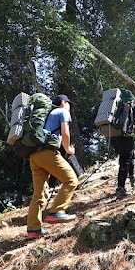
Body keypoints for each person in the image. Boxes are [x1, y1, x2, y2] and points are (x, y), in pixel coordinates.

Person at [26, 94, 79, 239]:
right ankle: (57, 211)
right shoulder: (62, 112)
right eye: (68, 103)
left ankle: (33, 230)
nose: (69, 106)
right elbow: (65, 132)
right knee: (71, 180)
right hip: (47, 154)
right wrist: (69, 150)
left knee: (39, 195)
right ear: (63, 102)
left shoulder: (45, 116)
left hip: (34, 156)